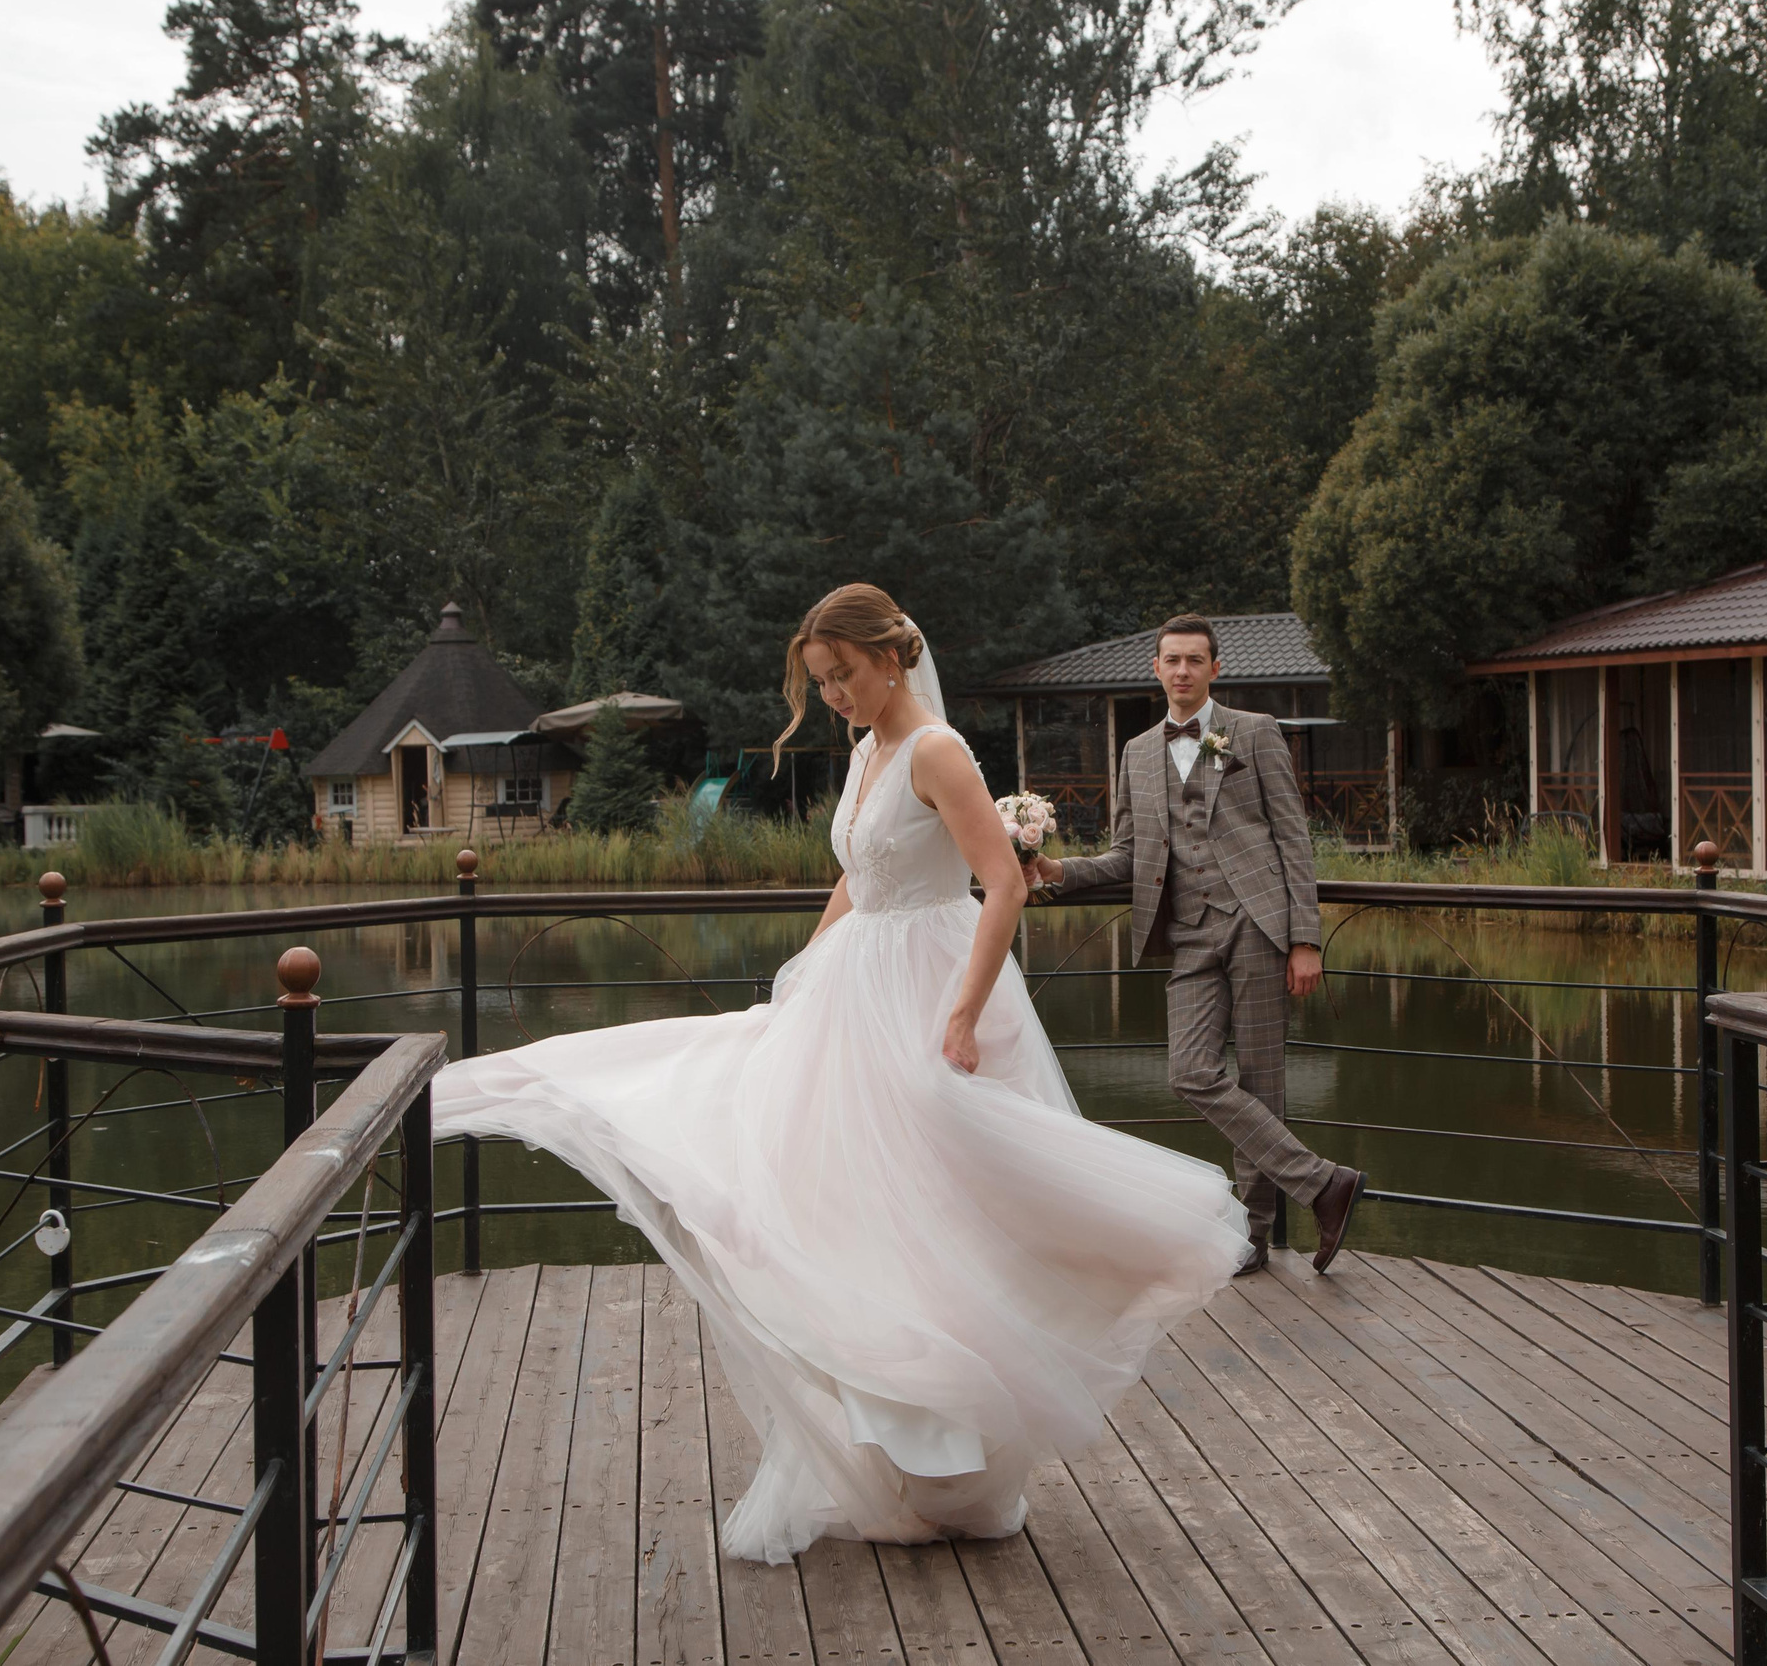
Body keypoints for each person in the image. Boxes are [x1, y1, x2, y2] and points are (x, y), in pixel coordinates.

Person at [430, 584, 1250, 1565]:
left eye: (842, 677)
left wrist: (958, 1009)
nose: (833, 698)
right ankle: (909, 1462)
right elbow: (860, 879)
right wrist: (799, 981)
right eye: (819, 685)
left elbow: (1000, 888)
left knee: (940, 1221)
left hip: (929, 988)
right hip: (854, 991)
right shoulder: (866, 753)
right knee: (852, 1218)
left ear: (891, 659)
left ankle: (951, 1455)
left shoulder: (937, 751)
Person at [1023, 614, 1366, 1276]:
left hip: (1258, 925)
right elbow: (1128, 855)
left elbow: (1293, 840)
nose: (1181, 670)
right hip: (1189, 934)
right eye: (1171, 659)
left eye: (1194, 660)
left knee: (1262, 1086)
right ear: (1155, 668)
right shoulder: (1137, 753)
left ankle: (1254, 1236)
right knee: (1190, 1071)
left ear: (1213, 668)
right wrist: (1059, 871)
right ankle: (1324, 1182)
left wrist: (1305, 939)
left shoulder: (1250, 731)